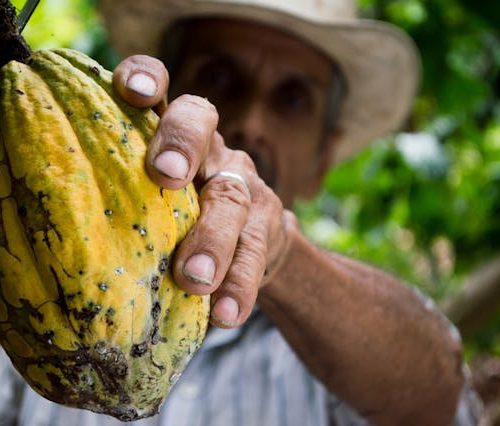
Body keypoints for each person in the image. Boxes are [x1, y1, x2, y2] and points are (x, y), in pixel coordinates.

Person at [0, 0, 483, 425]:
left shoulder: (344, 349)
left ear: (323, 157)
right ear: (158, 98)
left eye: (292, 99)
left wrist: (281, 256)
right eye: (219, 77)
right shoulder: (32, 246)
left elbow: (440, 401)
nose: (251, 121)